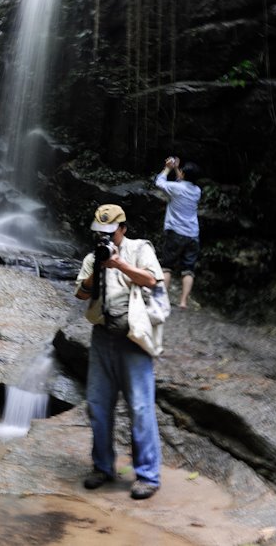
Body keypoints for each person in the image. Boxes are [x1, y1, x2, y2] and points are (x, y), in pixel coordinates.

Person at [75, 203, 165, 500]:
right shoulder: (92, 257)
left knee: (140, 408)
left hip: (134, 339)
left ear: (123, 229)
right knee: (97, 406)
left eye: (110, 234)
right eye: (100, 234)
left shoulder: (139, 249)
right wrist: (96, 271)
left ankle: (148, 476)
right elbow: (81, 293)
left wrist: (119, 265)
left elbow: (152, 280)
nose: (104, 239)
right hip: (102, 337)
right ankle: (102, 467)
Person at [155, 156, 201, 309]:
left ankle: (163, 300)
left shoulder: (176, 188)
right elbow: (182, 183)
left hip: (175, 232)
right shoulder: (197, 191)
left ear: (184, 175)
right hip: (193, 234)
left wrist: (168, 168)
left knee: (167, 266)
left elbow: (159, 182)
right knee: (188, 269)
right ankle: (183, 302)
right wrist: (177, 169)